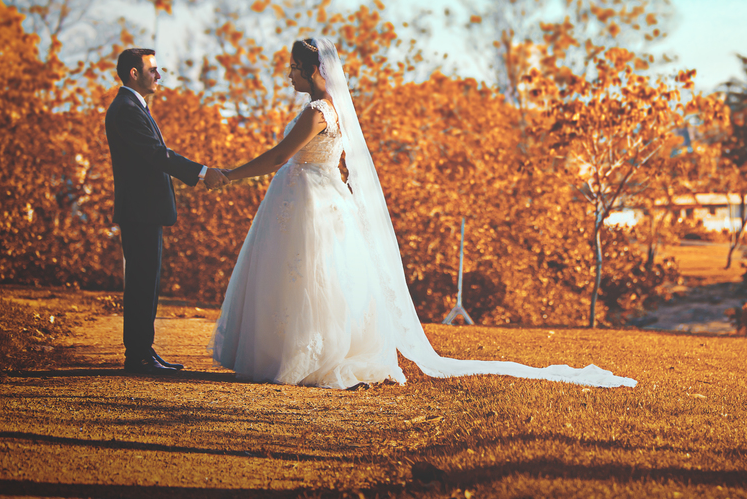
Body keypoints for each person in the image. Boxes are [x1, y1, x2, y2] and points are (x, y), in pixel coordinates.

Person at [210, 38, 635, 389]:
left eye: (293, 68)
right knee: (316, 276)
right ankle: (301, 350)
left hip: (307, 196)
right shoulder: (332, 110)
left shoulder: (317, 111)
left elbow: (280, 155)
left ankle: (301, 355)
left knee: (306, 275)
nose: (289, 75)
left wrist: (229, 175)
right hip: (318, 194)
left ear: (313, 70)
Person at [105, 48, 227, 375]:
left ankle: (143, 351)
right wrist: (202, 172)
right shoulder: (127, 109)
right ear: (133, 73)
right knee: (143, 283)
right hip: (140, 211)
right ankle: (139, 356)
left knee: (146, 282)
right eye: (153, 69)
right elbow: (158, 155)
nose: (159, 75)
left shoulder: (132, 107)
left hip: (143, 211)